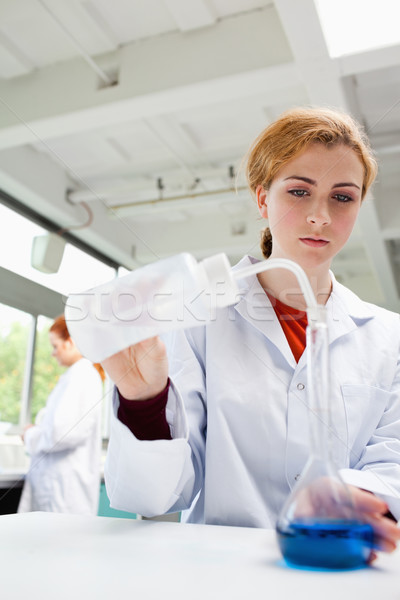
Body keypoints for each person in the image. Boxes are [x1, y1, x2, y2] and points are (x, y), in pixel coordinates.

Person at [102, 107, 400, 557]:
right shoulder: (201, 318)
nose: (320, 216)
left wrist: (348, 497)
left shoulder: (388, 337)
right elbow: (151, 498)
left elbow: (392, 467)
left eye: (343, 197)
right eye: (299, 191)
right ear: (263, 199)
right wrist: (144, 403)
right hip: (220, 574)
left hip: (335, 561)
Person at [18, 315, 104, 514]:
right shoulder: (76, 376)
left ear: (71, 342)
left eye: (55, 346)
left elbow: (60, 434)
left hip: (64, 492)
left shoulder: (81, 376)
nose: (53, 354)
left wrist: (30, 435)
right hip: (60, 488)